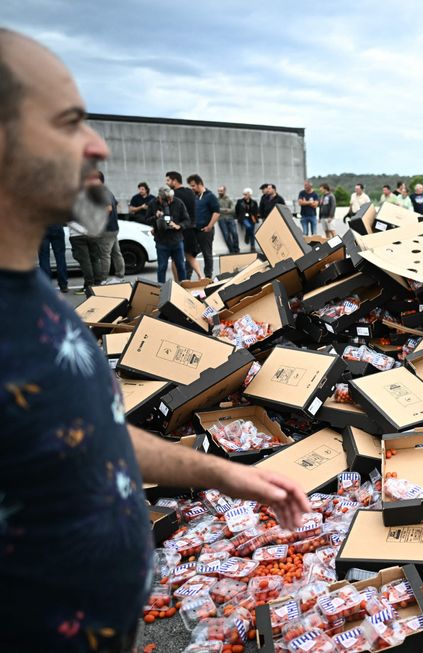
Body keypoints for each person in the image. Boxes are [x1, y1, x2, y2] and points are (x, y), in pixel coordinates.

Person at [0, 28, 311, 653]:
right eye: (68, 124)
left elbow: (91, 433)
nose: (98, 145)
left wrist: (227, 475)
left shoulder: (36, 299)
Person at [166, 170, 204, 280]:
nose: (167, 183)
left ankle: (177, 283)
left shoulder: (173, 195)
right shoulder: (190, 192)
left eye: (168, 180)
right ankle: (201, 277)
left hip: (178, 230)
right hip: (191, 228)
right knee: (190, 256)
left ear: (175, 181)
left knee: (175, 258)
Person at [148, 186, 190, 283]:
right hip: (161, 241)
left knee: (181, 267)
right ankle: (161, 289)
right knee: (162, 267)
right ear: (160, 198)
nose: (169, 201)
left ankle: (184, 289)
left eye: (171, 199)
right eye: (167, 200)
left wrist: (178, 225)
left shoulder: (178, 202)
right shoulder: (153, 204)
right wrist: (155, 217)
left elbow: (187, 220)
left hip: (176, 240)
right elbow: (146, 219)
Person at [92, 170, 124, 284]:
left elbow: (109, 208)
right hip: (113, 227)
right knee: (116, 252)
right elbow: (116, 204)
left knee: (105, 255)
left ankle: (103, 279)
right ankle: (120, 276)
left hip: (106, 228)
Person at [187, 173, 220, 279]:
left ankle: (208, 277)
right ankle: (187, 276)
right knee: (190, 254)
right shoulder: (193, 197)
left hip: (205, 230)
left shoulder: (210, 196)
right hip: (193, 231)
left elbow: (216, 212)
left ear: (199, 184)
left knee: (207, 254)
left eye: (193, 185)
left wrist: (209, 226)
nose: (191, 188)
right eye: (190, 186)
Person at [38, 224, 69, 292]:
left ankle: (46, 285)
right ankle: (63, 284)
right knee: (60, 257)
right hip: (57, 225)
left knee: (44, 258)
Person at [216, 185, 239, 254]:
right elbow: (217, 209)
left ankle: (236, 249)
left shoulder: (229, 199)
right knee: (226, 235)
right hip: (221, 219)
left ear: (224, 191)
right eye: (219, 191)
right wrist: (226, 210)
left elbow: (233, 210)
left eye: (221, 191)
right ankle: (231, 250)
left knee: (234, 233)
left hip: (230, 219)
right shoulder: (216, 200)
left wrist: (223, 210)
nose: (220, 192)